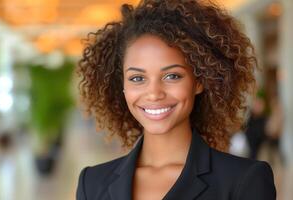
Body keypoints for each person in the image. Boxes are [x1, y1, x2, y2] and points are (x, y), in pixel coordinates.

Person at [76, 0, 276, 199]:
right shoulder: (92, 183)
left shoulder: (244, 180)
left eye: (172, 76)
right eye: (138, 78)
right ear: (123, 87)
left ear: (199, 81)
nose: (154, 93)